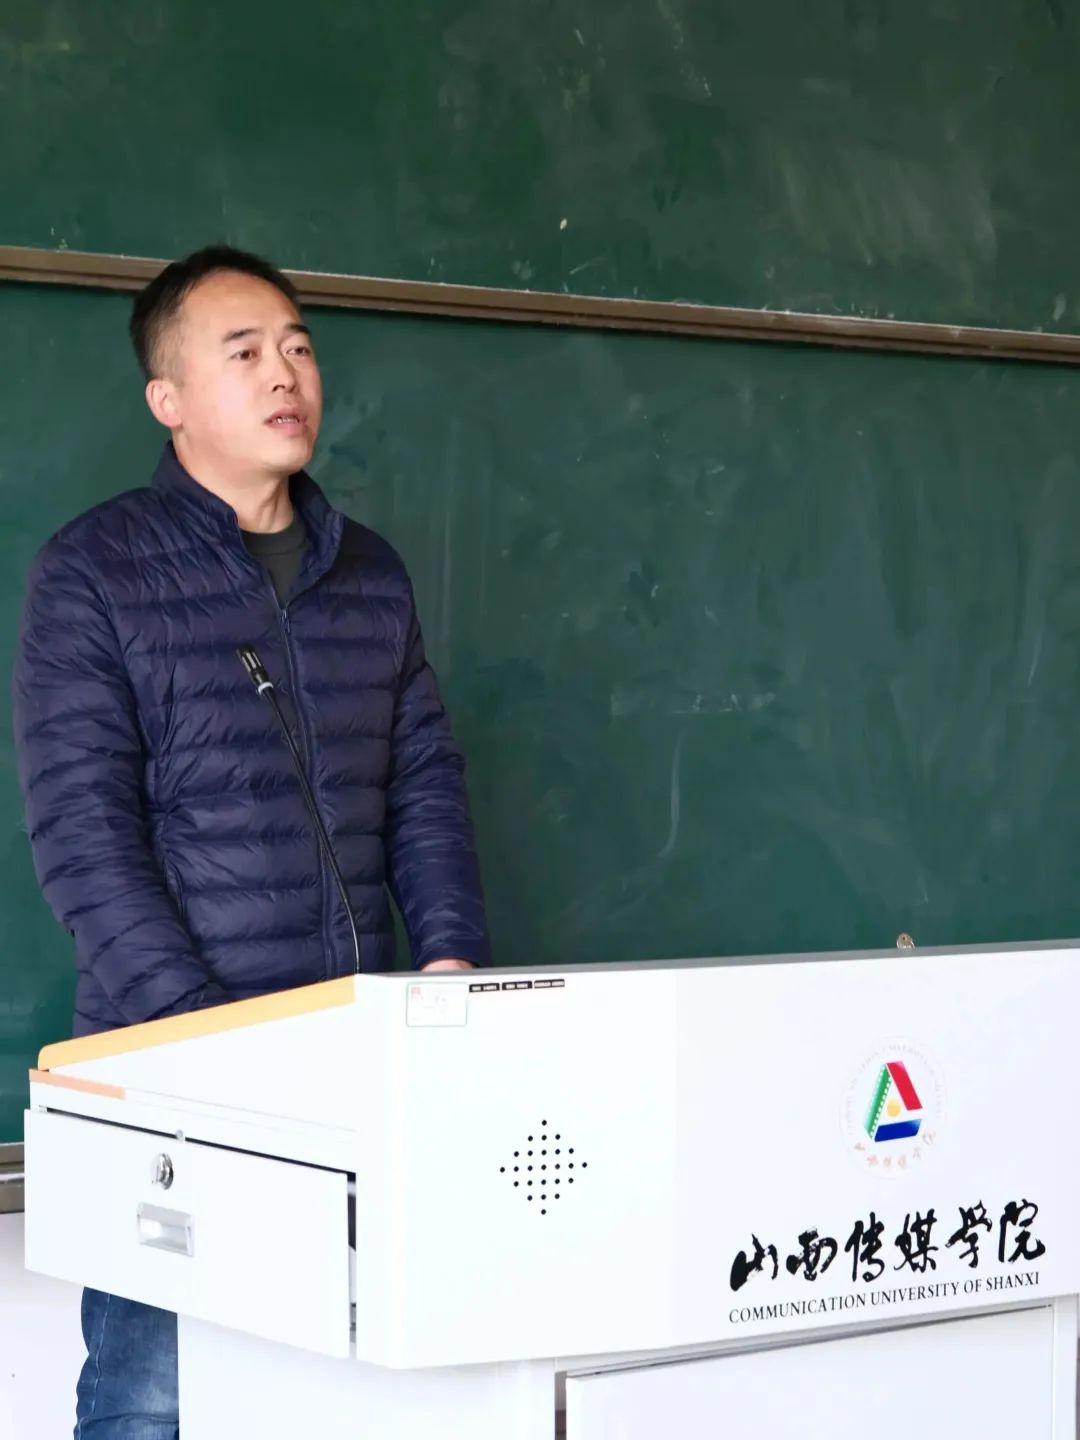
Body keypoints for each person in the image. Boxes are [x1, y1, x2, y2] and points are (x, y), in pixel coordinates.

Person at [13, 245, 489, 1437]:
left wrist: (450, 965)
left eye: (298, 347)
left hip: (357, 1068)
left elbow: (423, 783)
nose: (285, 373)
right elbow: (83, 837)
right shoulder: (94, 573)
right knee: (154, 1402)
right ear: (168, 399)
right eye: (244, 353)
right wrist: (210, 1043)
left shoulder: (369, 574)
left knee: (334, 1395)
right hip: (172, 1072)